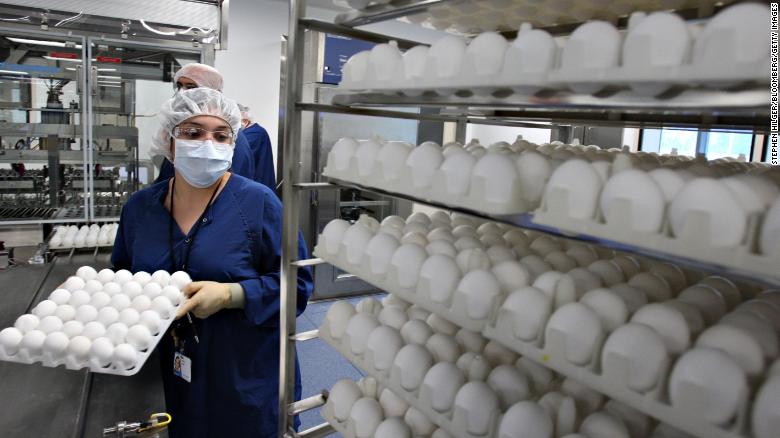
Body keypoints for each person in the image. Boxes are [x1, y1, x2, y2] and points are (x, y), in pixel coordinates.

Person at [113, 88, 313, 438]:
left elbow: (297, 286)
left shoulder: (259, 203)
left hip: (247, 373)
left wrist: (231, 295)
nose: (207, 143)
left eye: (220, 135)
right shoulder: (140, 208)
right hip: (179, 370)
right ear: (168, 140)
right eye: (192, 132)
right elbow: (124, 277)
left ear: (234, 143)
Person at [153, 63, 255, 184]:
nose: (182, 92)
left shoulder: (232, 137)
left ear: (211, 90)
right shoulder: (174, 131)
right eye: (179, 85)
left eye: (190, 87)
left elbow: (235, 188)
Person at [238, 105, 276, 191]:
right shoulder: (251, 131)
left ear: (245, 120)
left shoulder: (255, 133)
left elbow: (239, 155)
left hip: (257, 181)